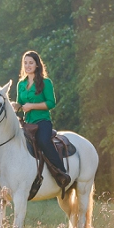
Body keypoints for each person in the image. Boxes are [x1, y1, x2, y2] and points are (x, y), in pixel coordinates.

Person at [17, 50, 71, 190]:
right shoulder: (20, 84)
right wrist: (15, 105)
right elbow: (20, 103)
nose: (28, 65)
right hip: (27, 123)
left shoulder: (46, 82)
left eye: (31, 63)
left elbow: (51, 103)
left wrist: (32, 106)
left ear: (37, 65)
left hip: (42, 121)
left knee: (43, 141)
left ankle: (61, 172)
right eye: (25, 63)